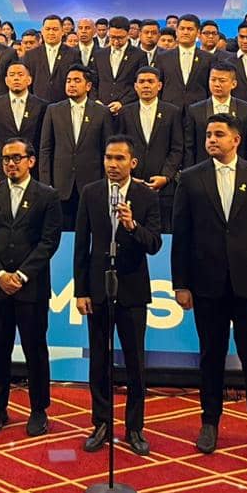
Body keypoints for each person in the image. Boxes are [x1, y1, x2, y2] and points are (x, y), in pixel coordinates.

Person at [171, 114, 247, 460]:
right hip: (206, 286)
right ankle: (209, 423)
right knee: (210, 357)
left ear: (236, 140)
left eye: (218, 134)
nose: (211, 139)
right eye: (208, 134)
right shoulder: (190, 179)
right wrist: (181, 284)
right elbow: (181, 236)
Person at [73, 136, 162, 457]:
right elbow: (81, 245)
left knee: (136, 362)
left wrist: (132, 225)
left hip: (133, 290)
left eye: (120, 158)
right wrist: (81, 290)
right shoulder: (91, 193)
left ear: (132, 163)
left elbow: (155, 244)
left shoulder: (146, 196)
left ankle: (135, 427)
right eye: (108, 157)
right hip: (98, 289)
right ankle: (101, 423)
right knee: (98, 360)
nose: (112, 164)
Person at [0, 138, 63, 437]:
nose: (10, 163)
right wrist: (0, 275)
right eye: (6, 159)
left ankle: (39, 409)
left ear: (31, 161)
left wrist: (21, 276)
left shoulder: (48, 196)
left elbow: (49, 242)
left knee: (35, 350)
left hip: (31, 289)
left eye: (16, 158)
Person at [39, 66, 112, 230]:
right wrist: (45, 183)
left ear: (88, 86)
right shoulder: (53, 110)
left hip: (91, 185)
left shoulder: (101, 112)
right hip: (60, 186)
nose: (71, 84)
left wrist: (105, 183)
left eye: (77, 80)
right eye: (68, 81)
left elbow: (107, 151)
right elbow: (45, 149)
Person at [117, 66, 183, 233]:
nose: (146, 85)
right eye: (142, 82)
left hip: (163, 188)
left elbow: (177, 148)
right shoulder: (125, 112)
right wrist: (129, 176)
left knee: (162, 234)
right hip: (132, 185)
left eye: (150, 81)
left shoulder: (172, 112)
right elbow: (119, 149)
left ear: (159, 86)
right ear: (135, 86)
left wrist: (166, 177)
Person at [183, 60, 247, 167]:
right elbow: (189, 147)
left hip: (238, 168)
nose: (217, 84)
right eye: (213, 80)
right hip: (203, 169)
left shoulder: (246, 110)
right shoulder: (195, 110)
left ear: (233, 84)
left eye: (222, 80)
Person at [0, 61, 47, 182]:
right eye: (12, 75)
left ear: (29, 80)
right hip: (3, 173)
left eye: (20, 75)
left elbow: (44, 144)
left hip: (34, 174)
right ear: (6, 80)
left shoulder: (42, 106)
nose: (16, 78)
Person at [93, 16, 146, 117]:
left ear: (128, 34)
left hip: (127, 110)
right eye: (112, 37)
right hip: (101, 110)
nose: (116, 41)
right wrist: (96, 100)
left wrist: (122, 103)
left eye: (120, 38)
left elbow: (140, 84)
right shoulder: (99, 55)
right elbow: (93, 82)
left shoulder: (139, 55)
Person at [158, 14, 214, 109]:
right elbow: (158, 86)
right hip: (169, 108)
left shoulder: (209, 58)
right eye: (182, 29)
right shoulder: (163, 57)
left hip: (199, 109)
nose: (185, 32)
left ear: (198, 33)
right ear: (176, 31)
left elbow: (210, 88)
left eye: (190, 29)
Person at [21, 14, 78, 103]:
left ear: (62, 31)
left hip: (64, 104)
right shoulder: (31, 55)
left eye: (55, 29)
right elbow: (27, 83)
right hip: (37, 105)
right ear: (42, 31)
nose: (51, 33)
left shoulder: (73, 54)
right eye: (47, 29)